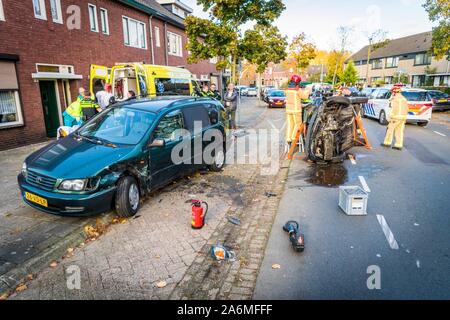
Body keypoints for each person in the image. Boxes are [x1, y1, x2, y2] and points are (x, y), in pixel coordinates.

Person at [285, 75, 310, 144]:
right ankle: (294, 138)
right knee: (297, 124)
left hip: (288, 110)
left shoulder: (287, 89)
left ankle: (288, 138)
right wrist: (307, 89)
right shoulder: (297, 90)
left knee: (290, 124)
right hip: (296, 110)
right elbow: (305, 96)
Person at [382, 85, 408, 150]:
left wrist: (389, 117)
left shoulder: (394, 99)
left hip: (395, 117)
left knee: (390, 130)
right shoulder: (404, 99)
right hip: (403, 118)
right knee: (399, 131)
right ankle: (398, 145)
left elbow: (391, 109)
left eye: (392, 92)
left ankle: (387, 143)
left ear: (394, 92)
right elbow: (407, 108)